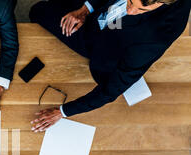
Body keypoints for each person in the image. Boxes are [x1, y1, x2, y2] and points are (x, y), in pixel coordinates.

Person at [29, 0, 190, 132]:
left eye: (141, 8)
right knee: (38, 11)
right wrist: (86, 9)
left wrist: (62, 112)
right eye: (130, 2)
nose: (131, 11)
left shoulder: (155, 37)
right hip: (98, 9)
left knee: (40, 12)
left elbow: (110, 90)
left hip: (101, 44)